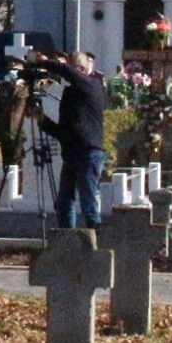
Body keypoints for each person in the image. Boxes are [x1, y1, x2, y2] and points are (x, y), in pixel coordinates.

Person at [34, 48, 107, 230]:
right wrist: (42, 120)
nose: (69, 75)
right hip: (72, 152)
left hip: (88, 152)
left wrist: (45, 62)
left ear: (80, 70)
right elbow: (65, 130)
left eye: (72, 70)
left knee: (88, 202)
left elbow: (68, 72)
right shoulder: (71, 93)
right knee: (64, 202)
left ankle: (94, 245)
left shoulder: (92, 84)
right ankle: (66, 240)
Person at [0, 54, 30, 174]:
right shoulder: (3, 87)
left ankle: (18, 190)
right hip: (5, 132)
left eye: (16, 69)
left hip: (20, 132)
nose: (13, 71)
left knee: (18, 165)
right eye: (11, 69)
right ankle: (8, 191)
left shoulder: (27, 88)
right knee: (6, 166)